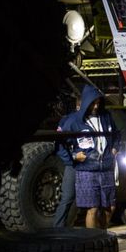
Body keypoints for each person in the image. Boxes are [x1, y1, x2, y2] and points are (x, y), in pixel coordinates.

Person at [67, 85, 120, 228]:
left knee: (110, 207)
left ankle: (102, 237)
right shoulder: (74, 120)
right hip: (87, 170)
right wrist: (73, 156)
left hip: (107, 168)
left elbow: (116, 134)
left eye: (98, 102)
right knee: (93, 209)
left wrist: (115, 148)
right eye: (93, 102)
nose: (96, 106)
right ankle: (93, 242)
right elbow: (61, 144)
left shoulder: (106, 116)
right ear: (86, 102)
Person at [52, 97, 80, 227]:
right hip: (74, 166)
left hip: (92, 165)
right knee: (68, 198)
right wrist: (71, 160)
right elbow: (59, 143)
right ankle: (58, 230)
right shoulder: (68, 120)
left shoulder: (96, 119)